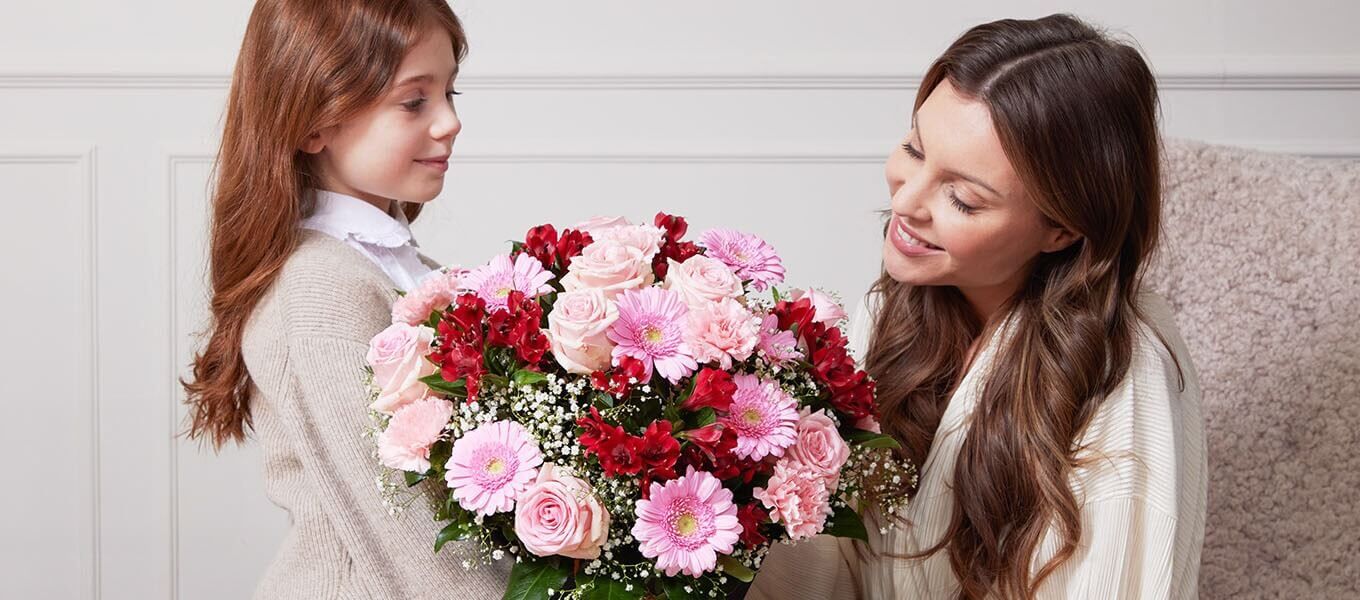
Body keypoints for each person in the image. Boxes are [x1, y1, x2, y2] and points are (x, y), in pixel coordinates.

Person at [750, 13, 1206, 599]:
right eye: (914, 149)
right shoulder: (894, 313)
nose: (906, 203)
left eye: (963, 199)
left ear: (1062, 229)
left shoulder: (1123, 381)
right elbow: (834, 568)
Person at [180, 1, 509, 597]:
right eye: (414, 101)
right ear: (315, 123)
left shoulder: (397, 270)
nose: (449, 122)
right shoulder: (320, 293)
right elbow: (406, 530)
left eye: (450, 93)